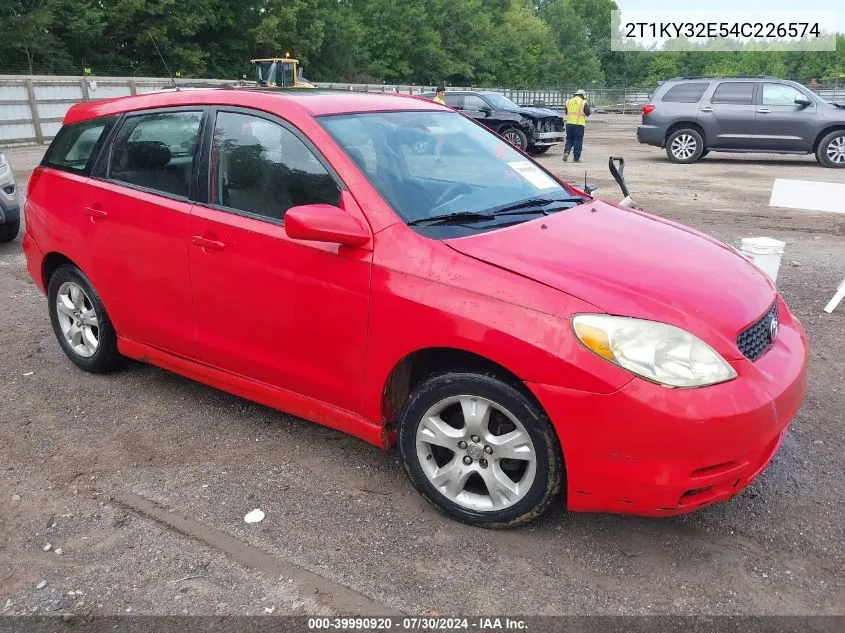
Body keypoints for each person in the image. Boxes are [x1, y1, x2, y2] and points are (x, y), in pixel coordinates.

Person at [562, 89, 591, 163]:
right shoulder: (583, 102)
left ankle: (566, 152)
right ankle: (576, 158)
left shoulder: (568, 101)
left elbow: (566, 112)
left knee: (569, 140)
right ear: (582, 95)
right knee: (578, 141)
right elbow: (588, 113)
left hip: (569, 124)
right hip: (579, 125)